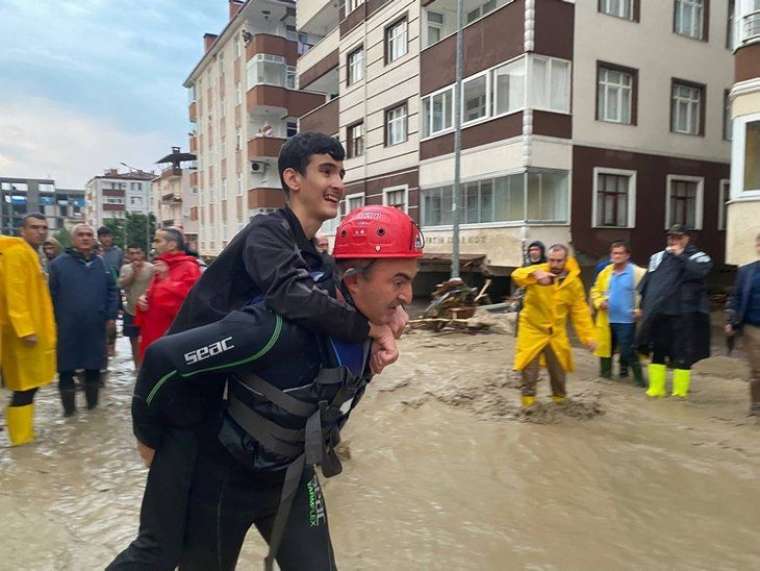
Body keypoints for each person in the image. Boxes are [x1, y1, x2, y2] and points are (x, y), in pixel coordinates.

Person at [108, 133, 402, 570]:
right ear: (292, 178)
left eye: (341, 172)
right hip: (187, 412)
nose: (338, 182)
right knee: (156, 550)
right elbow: (294, 299)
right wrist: (147, 435)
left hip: (234, 413)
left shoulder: (313, 256)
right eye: (326, 171)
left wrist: (390, 321)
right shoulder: (267, 233)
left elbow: (342, 298)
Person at [511, 244, 596, 408]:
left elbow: (580, 313)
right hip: (532, 328)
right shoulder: (539, 270)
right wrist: (534, 274)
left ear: (566, 260)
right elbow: (516, 275)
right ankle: (528, 406)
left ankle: (560, 402)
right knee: (529, 369)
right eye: (552, 260)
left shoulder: (574, 283)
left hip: (556, 332)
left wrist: (588, 337)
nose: (555, 264)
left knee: (559, 370)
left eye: (559, 261)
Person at [49, 224, 119, 415]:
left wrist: (111, 315)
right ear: (73, 239)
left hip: (95, 325)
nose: (85, 238)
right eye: (81, 235)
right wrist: (53, 322)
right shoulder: (58, 265)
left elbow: (113, 290)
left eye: (89, 235)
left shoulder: (102, 264)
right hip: (67, 327)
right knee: (65, 369)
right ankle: (69, 414)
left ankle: (92, 410)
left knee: (93, 368)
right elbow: (50, 296)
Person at [637, 224, 712, 399]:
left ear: (687, 238)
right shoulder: (657, 257)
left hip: (685, 314)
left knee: (683, 352)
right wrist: (642, 306)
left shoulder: (699, 257)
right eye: (671, 237)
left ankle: (680, 392)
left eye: (678, 237)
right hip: (660, 312)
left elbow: (699, 272)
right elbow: (649, 283)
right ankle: (656, 388)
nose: (674, 241)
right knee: (658, 350)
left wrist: (681, 257)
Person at [0, 215, 56, 445]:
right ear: (22, 230)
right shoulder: (16, 254)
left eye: (44, 228)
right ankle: (20, 440)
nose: (40, 232)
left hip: (31, 330)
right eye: (34, 227)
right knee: (24, 386)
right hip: (20, 334)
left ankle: (23, 434)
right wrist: (25, 330)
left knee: (29, 386)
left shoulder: (31, 254)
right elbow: (15, 294)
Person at [134, 228, 200, 359]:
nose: (154, 245)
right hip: (153, 333)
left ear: (172, 245)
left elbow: (189, 304)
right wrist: (143, 299)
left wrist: (166, 279)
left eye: (158, 241)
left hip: (172, 337)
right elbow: (154, 294)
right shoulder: (163, 265)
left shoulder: (189, 267)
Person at [590, 241, 646, 386]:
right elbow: (595, 290)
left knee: (628, 350)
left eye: (621, 253)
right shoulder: (605, 272)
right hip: (606, 319)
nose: (617, 256)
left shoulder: (638, 273)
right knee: (605, 349)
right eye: (615, 253)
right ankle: (605, 376)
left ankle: (639, 379)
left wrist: (641, 309)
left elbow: (647, 293)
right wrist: (599, 302)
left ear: (627, 255)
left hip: (627, 320)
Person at [725, 233, 760, 415]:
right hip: (752, 327)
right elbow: (735, 297)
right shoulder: (746, 272)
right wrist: (731, 320)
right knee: (757, 370)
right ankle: (756, 404)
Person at [118, 244, 154, 368]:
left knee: (147, 341)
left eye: (137, 253)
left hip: (147, 311)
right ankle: (137, 368)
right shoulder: (125, 268)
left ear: (143, 254)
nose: (135, 256)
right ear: (128, 255)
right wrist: (133, 273)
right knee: (133, 342)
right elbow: (121, 285)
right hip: (130, 310)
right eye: (132, 253)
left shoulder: (151, 268)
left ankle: (147, 367)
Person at [98, 226, 124, 358]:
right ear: (99, 238)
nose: (106, 239)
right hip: (98, 290)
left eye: (108, 236)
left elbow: (121, 271)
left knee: (112, 322)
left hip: (115, 290)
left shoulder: (118, 252)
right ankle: (102, 350)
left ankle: (112, 349)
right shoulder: (96, 252)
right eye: (103, 236)